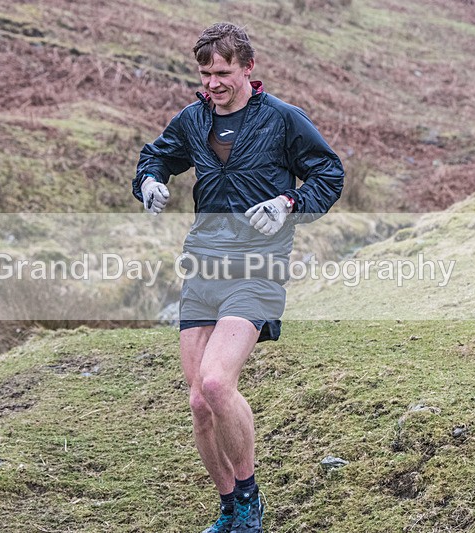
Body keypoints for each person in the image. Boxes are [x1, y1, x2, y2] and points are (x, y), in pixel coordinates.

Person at [133, 22, 344, 533]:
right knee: (199, 402)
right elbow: (156, 156)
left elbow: (329, 174)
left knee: (215, 381)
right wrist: (149, 182)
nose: (212, 83)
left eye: (222, 72)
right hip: (203, 266)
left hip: (257, 269)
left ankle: (250, 500)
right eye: (205, 73)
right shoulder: (192, 118)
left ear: (248, 68)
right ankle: (228, 506)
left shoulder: (283, 120)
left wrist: (290, 203)